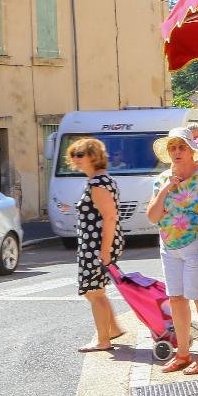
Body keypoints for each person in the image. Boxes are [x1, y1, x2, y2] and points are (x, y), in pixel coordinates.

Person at [146, 127, 198, 375]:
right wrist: (167, 188)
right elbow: (153, 217)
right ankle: (183, 353)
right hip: (168, 245)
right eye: (173, 148)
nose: (177, 152)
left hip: (195, 244)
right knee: (177, 300)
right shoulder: (161, 179)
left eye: (182, 147)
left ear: (191, 150)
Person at [71, 138, 126, 353]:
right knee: (96, 290)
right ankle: (112, 329)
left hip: (97, 244)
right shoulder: (101, 180)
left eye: (79, 154)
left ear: (93, 156)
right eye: (74, 154)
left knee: (94, 292)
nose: (75, 159)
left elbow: (110, 218)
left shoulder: (97, 184)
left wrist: (104, 251)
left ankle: (103, 340)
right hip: (95, 243)